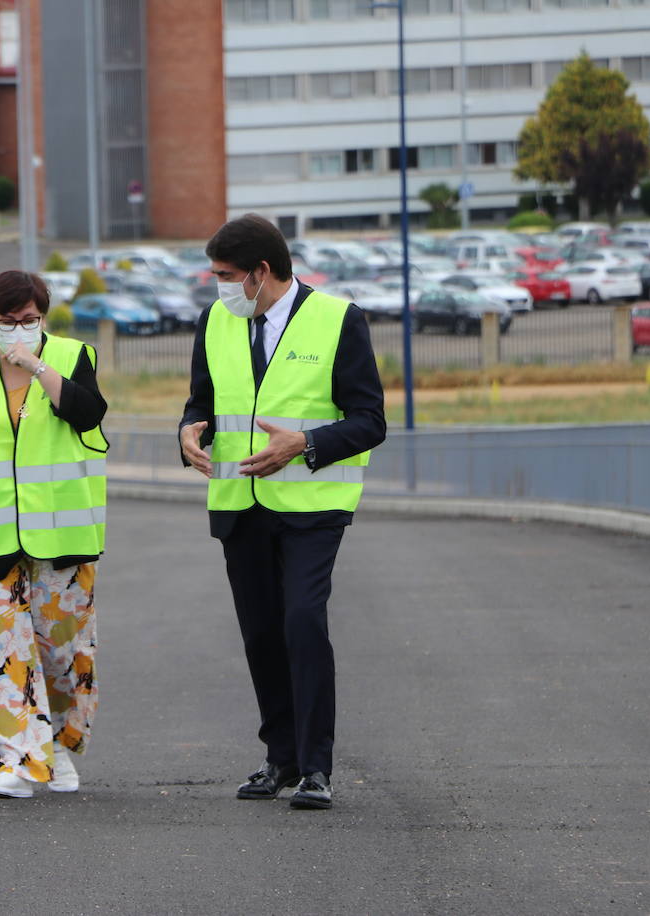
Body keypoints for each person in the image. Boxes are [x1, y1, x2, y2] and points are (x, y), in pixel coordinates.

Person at [178, 213, 385, 810]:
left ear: (260, 273)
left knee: (302, 620)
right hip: (239, 503)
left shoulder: (339, 320)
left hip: (311, 506)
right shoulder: (215, 320)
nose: (216, 286)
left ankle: (317, 767)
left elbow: (370, 419)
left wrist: (308, 444)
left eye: (224, 275)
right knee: (262, 633)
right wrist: (188, 435)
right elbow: (203, 403)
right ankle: (281, 757)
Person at [0, 270, 108, 799]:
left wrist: (35, 365)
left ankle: (58, 749)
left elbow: (87, 413)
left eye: (28, 321)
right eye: (6, 323)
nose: (16, 330)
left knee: (62, 653)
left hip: (61, 537)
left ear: (43, 318)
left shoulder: (75, 357)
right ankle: (12, 762)